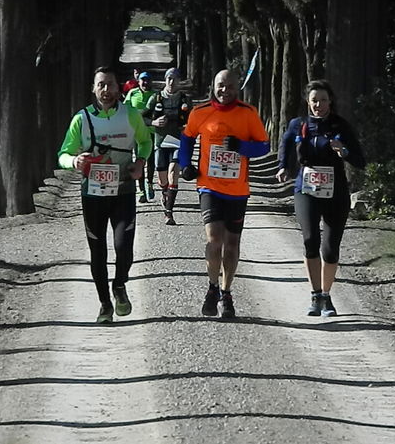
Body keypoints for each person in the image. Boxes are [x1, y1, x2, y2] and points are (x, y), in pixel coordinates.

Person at [58, 66, 152, 324]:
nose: (106, 90)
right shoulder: (82, 119)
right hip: (93, 195)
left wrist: (141, 162)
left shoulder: (130, 115)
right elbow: (63, 154)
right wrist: (75, 160)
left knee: (124, 248)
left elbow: (146, 141)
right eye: (101, 85)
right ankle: (104, 305)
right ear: (94, 89)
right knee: (97, 251)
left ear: (118, 88)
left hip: (123, 191)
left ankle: (119, 284)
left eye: (110, 85)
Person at [179, 69, 269, 318]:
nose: (224, 90)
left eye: (229, 86)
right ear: (213, 86)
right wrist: (186, 165)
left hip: (238, 190)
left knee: (232, 244)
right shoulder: (200, 112)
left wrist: (242, 147)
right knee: (214, 238)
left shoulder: (248, 114)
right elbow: (186, 138)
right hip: (209, 186)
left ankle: (226, 292)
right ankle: (212, 287)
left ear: (237, 88)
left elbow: (264, 146)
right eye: (220, 85)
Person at [276, 79, 366, 317]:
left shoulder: (340, 126)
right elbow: (285, 145)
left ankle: (326, 297)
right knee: (309, 240)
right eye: (314, 100)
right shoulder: (298, 125)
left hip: (335, 193)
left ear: (330, 101)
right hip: (305, 189)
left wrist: (343, 150)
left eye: (323, 100)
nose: (319, 105)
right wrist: (284, 167)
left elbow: (360, 160)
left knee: (330, 249)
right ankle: (315, 295)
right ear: (308, 101)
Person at [144, 67, 191, 225]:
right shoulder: (156, 98)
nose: (171, 82)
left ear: (179, 81)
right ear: (165, 80)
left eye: (175, 79)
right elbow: (142, 117)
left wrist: (187, 127)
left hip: (178, 141)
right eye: (169, 78)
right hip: (161, 142)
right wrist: (154, 122)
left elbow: (193, 120)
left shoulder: (184, 99)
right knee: (162, 176)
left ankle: (169, 213)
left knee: (173, 173)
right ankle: (165, 192)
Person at [125, 71, 156, 203]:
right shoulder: (132, 93)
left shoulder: (155, 95)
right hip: (137, 133)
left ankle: (150, 184)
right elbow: (125, 109)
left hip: (152, 131)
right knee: (140, 161)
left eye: (148, 80)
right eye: (143, 80)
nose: (145, 83)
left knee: (151, 162)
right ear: (139, 81)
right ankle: (141, 190)